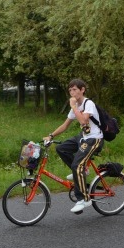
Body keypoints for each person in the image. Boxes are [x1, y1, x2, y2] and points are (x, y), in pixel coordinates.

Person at [44, 79, 104, 213]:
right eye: (70, 90)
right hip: (83, 137)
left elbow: (83, 121)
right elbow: (65, 126)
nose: (72, 92)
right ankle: (83, 171)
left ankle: (83, 199)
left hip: (94, 139)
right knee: (61, 148)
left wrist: (74, 107)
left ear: (82, 90)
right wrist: (51, 136)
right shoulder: (75, 105)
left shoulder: (89, 104)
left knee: (77, 166)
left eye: (75, 89)